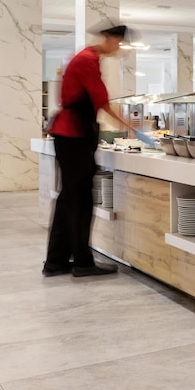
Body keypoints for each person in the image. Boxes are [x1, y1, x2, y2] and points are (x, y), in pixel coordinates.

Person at [43, 23, 137, 277]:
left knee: (68, 199)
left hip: (68, 134)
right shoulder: (87, 59)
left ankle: (56, 262)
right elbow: (101, 100)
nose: (119, 48)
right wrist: (131, 128)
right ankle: (83, 263)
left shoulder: (82, 56)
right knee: (80, 201)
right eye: (119, 42)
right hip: (74, 135)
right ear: (109, 37)